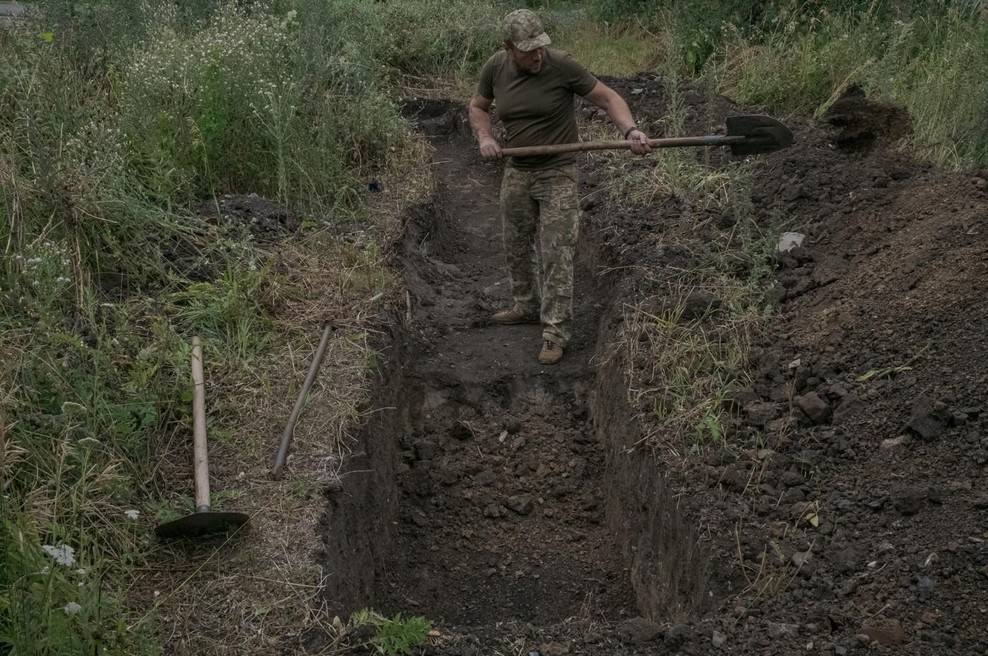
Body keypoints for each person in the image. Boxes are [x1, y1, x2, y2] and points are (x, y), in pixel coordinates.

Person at [469, 8, 650, 365]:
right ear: (508, 47)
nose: (537, 55)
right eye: (528, 50)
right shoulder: (495, 67)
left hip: (558, 172)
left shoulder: (561, 65)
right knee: (516, 244)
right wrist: (485, 136)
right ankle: (525, 306)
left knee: (557, 252)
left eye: (540, 47)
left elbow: (608, 98)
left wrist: (630, 131)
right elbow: (478, 106)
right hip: (518, 169)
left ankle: (555, 332)